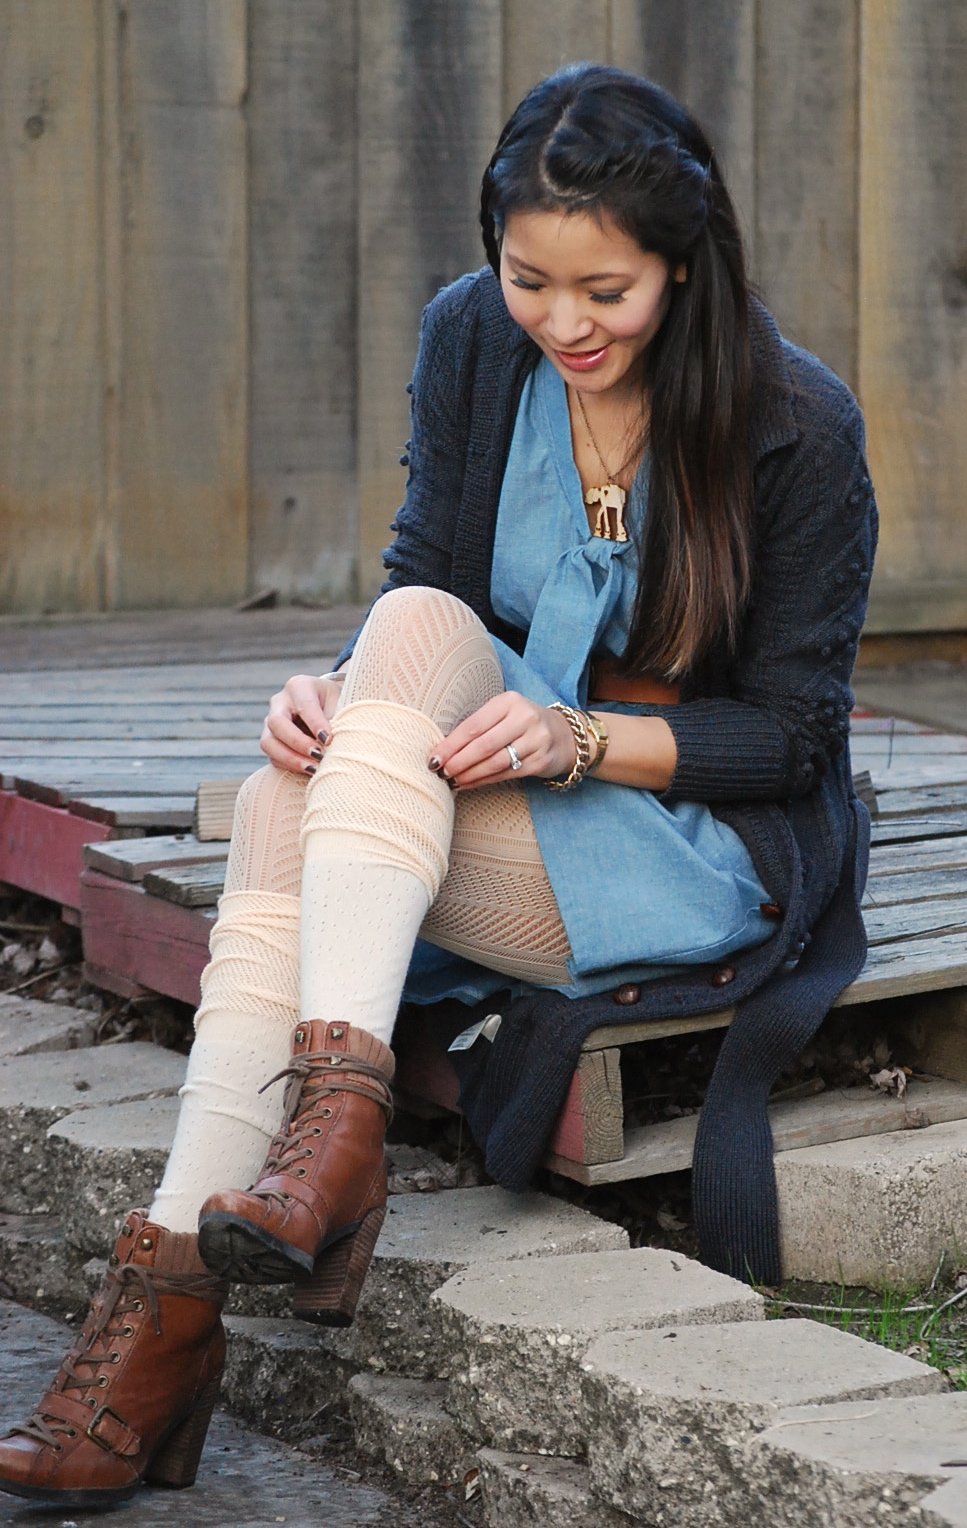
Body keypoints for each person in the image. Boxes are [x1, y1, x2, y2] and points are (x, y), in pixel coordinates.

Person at [0, 63, 877, 1507]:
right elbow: (427, 587)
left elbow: (791, 737)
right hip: (490, 753)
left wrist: (579, 740)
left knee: (290, 823)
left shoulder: (794, 421)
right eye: (532, 281)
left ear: (684, 263)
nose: (566, 324)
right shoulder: (477, 342)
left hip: (693, 824)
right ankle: (327, 1141)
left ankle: (158, 1335)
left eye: (608, 291)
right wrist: (337, 696)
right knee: (375, 673)